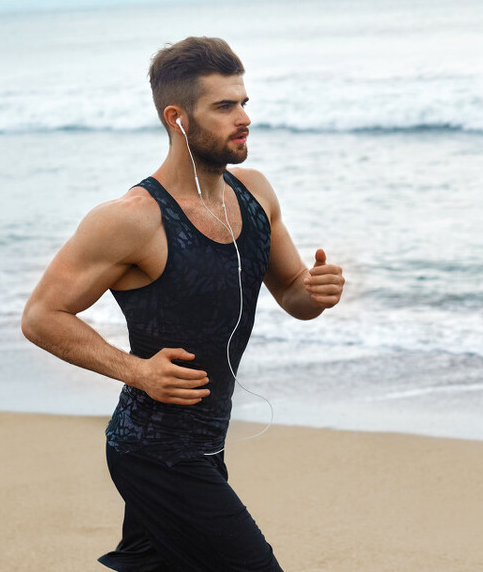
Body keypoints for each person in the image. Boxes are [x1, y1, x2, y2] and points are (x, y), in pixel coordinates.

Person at [21, 36, 345, 571]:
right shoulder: (131, 219)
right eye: (223, 107)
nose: (243, 118)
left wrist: (315, 292)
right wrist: (137, 372)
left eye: (244, 103)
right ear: (179, 118)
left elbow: (292, 295)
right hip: (155, 452)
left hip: (204, 445)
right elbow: (41, 316)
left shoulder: (255, 193)